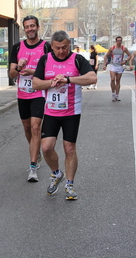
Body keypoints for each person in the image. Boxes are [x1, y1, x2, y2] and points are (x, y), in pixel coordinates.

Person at [32, 30, 97, 200]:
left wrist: (68, 79)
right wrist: (51, 82)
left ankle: (70, 184)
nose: (61, 51)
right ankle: (56, 173)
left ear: (70, 45)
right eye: (58, 48)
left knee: (69, 149)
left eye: (65, 47)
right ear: (51, 46)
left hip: (71, 112)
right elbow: (36, 83)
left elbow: (92, 78)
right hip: (51, 112)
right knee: (46, 147)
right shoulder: (45, 59)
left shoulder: (77, 59)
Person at [9, 15, 51, 182]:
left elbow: (50, 72)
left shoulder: (45, 47)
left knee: (35, 128)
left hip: (39, 93)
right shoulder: (17, 47)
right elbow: (12, 74)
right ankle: (36, 151)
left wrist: (33, 72)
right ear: (24, 29)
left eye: (32, 26)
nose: (30, 29)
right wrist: (19, 67)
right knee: (27, 128)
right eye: (27, 27)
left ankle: (32, 166)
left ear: (38, 27)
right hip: (23, 94)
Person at [103, 36, 131, 101]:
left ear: (121, 41)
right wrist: (104, 65)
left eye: (120, 40)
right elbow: (106, 56)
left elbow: (130, 55)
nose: (119, 42)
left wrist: (125, 61)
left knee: (118, 81)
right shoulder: (112, 48)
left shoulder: (124, 48)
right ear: (116, 41)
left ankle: (117, 95)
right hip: (113, 65)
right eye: (118, 40)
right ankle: (113, 94)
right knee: (112, 79)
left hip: (119, 66)